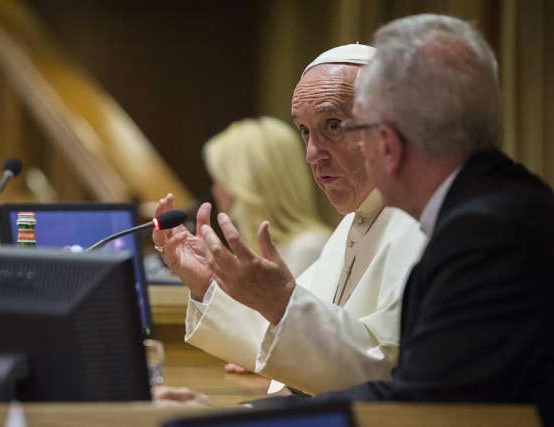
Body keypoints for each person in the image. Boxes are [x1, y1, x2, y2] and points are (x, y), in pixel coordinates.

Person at [200, 14, 554, 424]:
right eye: (304, 132)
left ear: (387, 140)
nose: (315, 154)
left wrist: (236, 419)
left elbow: (421, 404)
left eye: (344, 126)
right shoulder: (495, 202)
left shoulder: (484, 234)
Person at [153, 44, 427, 395]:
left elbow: (382, 373)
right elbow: (289, 344)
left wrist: (279, 301)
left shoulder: (421, 228)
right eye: (304, 131)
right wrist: (207, 283)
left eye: (333, 125)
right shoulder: (351, 225)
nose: (313, 153)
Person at [204, 117, 331, 278]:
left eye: (221, 179)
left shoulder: (308, 249)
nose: (215, 190)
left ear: (247, 185)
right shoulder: (256, 252)